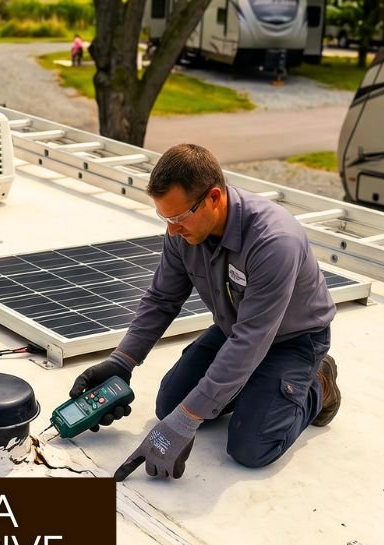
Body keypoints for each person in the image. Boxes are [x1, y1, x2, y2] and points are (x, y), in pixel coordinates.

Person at [69, 144, 341, 481]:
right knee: (169, 406)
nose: (172, 230)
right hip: (235, 329)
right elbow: (161, 299)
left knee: (251, 448)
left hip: (292, 340)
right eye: (165, 218)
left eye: (179, 217)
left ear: (214, 197)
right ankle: (249, 386)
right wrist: (122, 361)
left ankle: (318, 383)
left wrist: (188, 420)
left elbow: (250, 341)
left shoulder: (274, 241)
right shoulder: (184, 232)